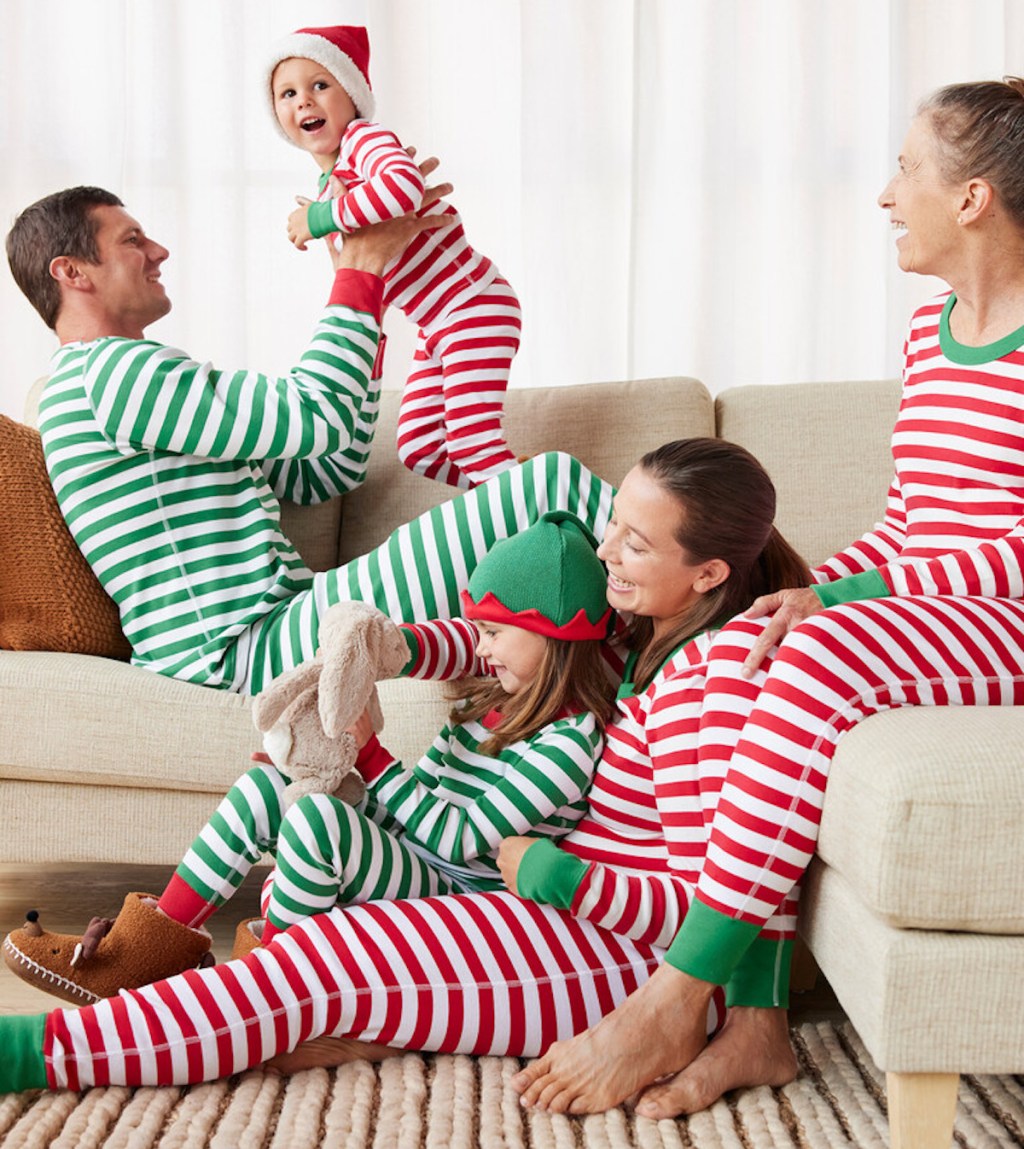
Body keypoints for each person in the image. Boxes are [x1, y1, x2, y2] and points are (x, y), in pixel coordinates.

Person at [0, 436, 812, 1099]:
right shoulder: (641, 623)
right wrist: (401, 646)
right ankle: (226, 1001)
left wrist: (560, 878)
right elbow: (520, 638)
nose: (606, 551)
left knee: (302, 971)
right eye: (611, 530)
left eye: (632, 541)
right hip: (545, 905)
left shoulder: (721, 669)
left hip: (619, 953)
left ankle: (26, 1054)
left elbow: (719, 903)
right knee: (305, 952)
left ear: (708, 573)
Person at [508, 76, 1024, 1118]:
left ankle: (675, 992)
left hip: (1003, 616)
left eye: (905, 171)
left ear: (968, 198)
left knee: (820, 650)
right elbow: (913, 518)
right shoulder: (931, 336)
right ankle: (755, 1026)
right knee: (731, 647)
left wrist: (849, 603)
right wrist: (810, 587)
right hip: (935, 609)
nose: (886, 195)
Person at [6, 186, 614, 697]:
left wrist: (368, 306)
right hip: (245, 652)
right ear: (71, 272)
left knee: (558, 564)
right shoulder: (110, 373)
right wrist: (359, 272)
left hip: (269, 629)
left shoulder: (116, 381)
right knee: (549, 484)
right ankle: (701, 609)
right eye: (132, 240)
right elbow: (315, 415)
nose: (159, 251)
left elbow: (324, 472)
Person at [3, 512, 617, 1002]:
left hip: (463, 894)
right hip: (418, 860)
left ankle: (276, 984)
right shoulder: (487, 703)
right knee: (270, 785)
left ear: (557, 635)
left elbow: (458, 839)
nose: (480, 649)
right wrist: (332, 768)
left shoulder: (568, 742)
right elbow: (419, 800)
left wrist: (370, 758)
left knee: (317, 822)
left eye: (493, 633)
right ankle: (143, 951)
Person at [269, 24, 523, 488]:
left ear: (353, 95)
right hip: (438, 325)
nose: (303, 100)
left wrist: (321, 219)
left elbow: (404, 188)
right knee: (420, 447)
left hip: (473, 304)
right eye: (287, 93)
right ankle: (510, 494)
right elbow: (374, 274)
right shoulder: (332, 184)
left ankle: (540, 515)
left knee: (472, 442)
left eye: (319, 85)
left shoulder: (364, 139)